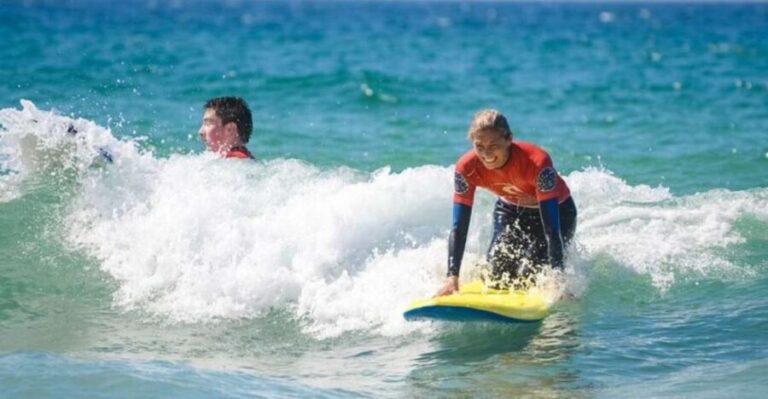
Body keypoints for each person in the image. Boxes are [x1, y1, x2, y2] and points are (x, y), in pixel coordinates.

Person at [435, 109, 577, 296]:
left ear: (509, 139)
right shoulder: (466, 168)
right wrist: (452, 277)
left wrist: (557, 277)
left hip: (557, 212)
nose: (486, 154)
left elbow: (551, 228)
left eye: (493, 146)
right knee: (497, 274)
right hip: (510, 209)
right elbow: (459, 227)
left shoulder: (537, 162)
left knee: (532, 275)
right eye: (479, 146)